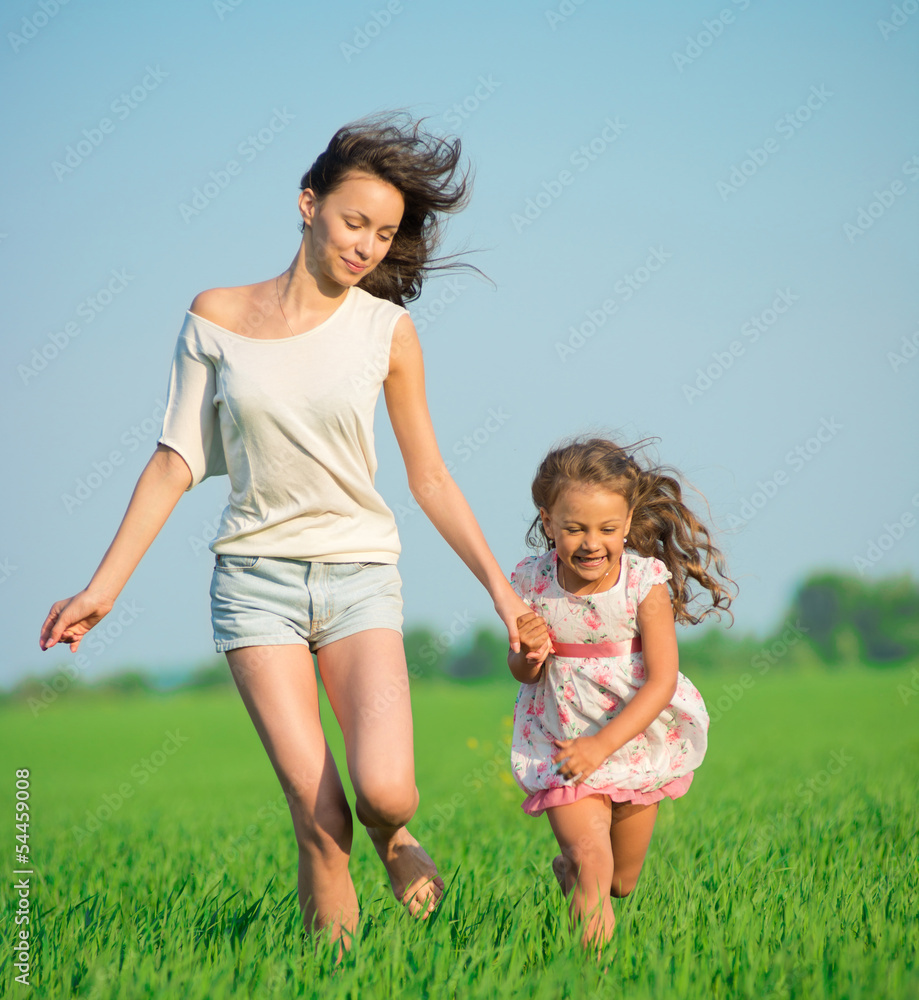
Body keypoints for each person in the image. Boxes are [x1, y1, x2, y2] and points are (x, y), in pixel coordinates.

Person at [38, 113, 531, 949]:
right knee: (318, 817)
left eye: (384, 233)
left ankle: (395, 838)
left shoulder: (386, 332)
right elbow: (175, 459)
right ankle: (328, 976)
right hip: (253, 585)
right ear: (308, 204)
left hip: (358, 579)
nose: (367, 246)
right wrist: (102, 589)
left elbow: (431, 477)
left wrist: (503, 594)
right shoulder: (216, 316)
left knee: (385, 793)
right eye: (353, 223)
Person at [507, 437, 734, 949]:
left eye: (607, 529)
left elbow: (662, 681)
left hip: (631, 736)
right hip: (563, 741)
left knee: (619, 882)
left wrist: (602, 746)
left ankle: (575, 876)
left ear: (628, 524)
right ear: (547, 523)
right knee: (593, 863)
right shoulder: (530, 582)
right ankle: (595, 977)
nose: (592, 542)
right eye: (574, 528)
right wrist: (529, 656)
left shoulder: (643, 581)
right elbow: (520, 670)